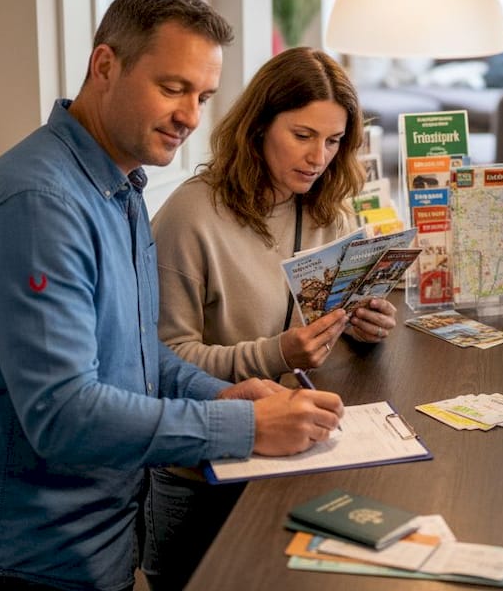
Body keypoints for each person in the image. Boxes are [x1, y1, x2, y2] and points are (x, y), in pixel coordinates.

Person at [0, 0, 344, 591]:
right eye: (172, 89)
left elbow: (140, 361)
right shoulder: (40, 204)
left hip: (99, 547)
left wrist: (224, 394)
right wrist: (246, 429)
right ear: (105, 67)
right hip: (17, 561)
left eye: (202, 97)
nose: (191, 116)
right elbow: (64, 415)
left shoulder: (120, 188)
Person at [144, 46, 398, 590]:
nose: (319, 158)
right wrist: (276, 353)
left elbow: (325, 320)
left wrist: (363, 327)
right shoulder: (190, 217)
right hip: (204, 475)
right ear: (258, 126)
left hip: (297, 456)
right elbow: (160, 359)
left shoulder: (332, 206)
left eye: (333, 141)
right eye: (303, 135)